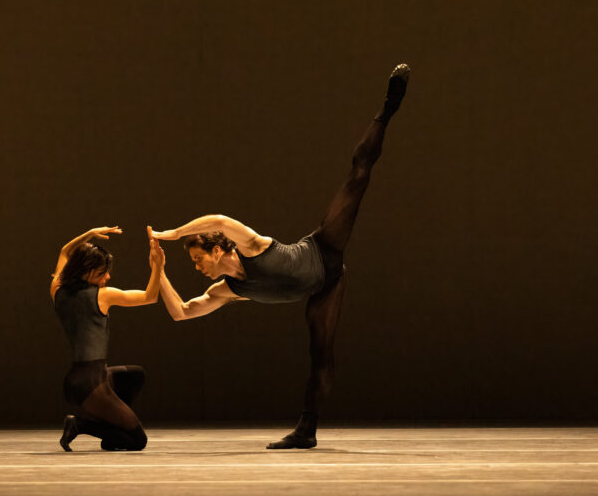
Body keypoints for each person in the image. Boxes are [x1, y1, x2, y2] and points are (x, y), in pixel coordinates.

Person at [149, 65, 409, 449]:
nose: (198, 267)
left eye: (197, 258)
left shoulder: (252, 245)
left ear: (217, 248)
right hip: (326, 287)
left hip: (324, 249)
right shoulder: (228, 289)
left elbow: (220, 219)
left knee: (357, 177)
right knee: (320, 356)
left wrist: (173, 233)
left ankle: (387, 108)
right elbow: (182, 312)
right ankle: (307, 432)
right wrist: (159, 271)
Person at [50, 225, 165, 451]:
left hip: (80, 379)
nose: (108, 277)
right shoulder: (102, 296)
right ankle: (80, 424)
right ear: (86, 271)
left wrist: (89, 234)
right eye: (103, 272)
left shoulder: (57, 289)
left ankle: (110, 423)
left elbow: (65, 251)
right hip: (91, 385)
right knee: (137, 441)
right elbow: (149, 297)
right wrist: (158, 267)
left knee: (134, 376)